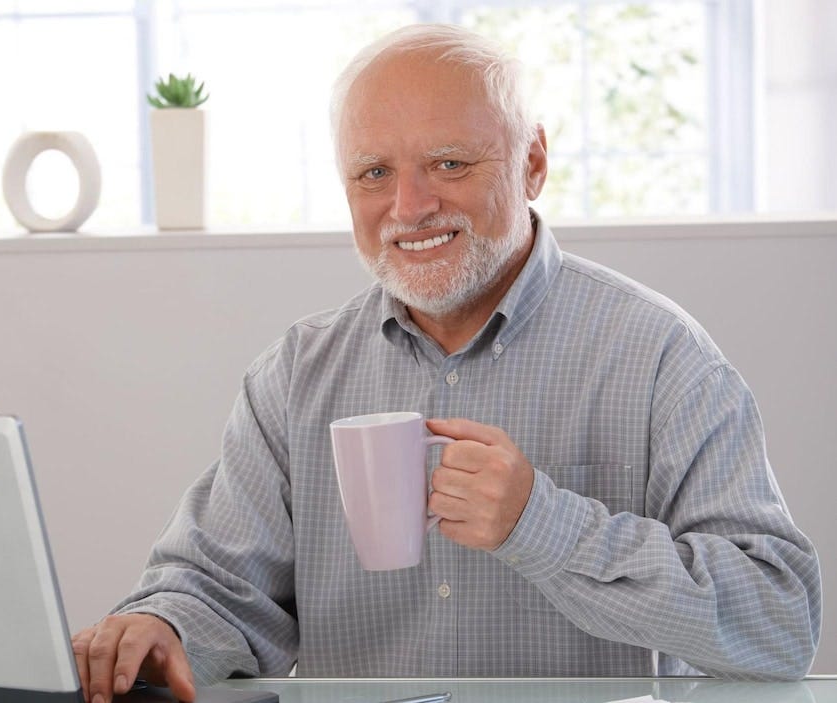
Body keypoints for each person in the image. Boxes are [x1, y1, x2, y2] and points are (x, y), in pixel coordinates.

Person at [72, 23, 822, 703]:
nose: (409, 205)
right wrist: (160, 624)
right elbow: (221, 591)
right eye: (373, 173)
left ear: (532, 162)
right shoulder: (296, 374)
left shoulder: (661, 356)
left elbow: (780, 623)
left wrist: (543, 522)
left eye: (449, 162)